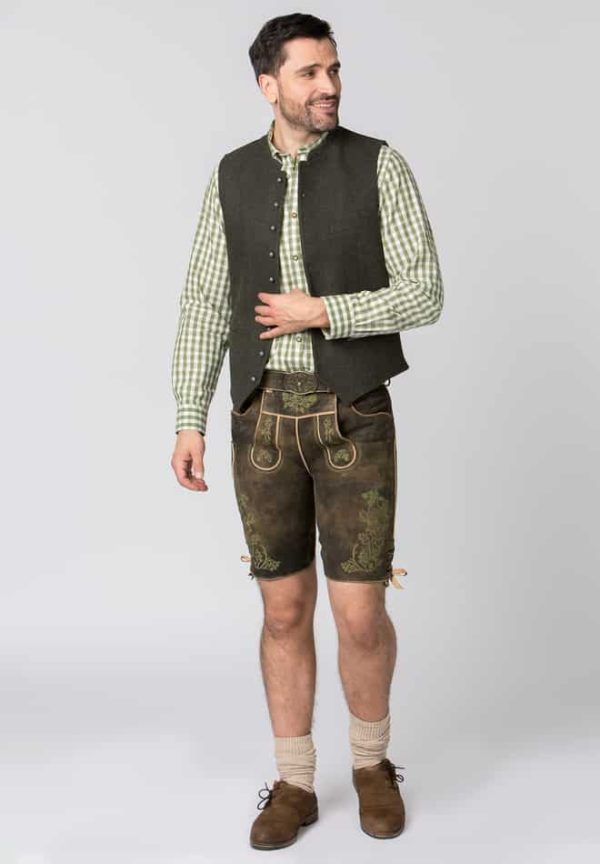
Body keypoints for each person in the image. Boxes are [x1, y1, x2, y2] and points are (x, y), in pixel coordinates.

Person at [170, 11, 443, 851]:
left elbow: (425, 291)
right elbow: (205, 300)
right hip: (261, 419)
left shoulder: (379, 164)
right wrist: (188, 416)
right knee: (284, 611)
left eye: (334, 69)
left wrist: (322, 311)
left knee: (359, 613)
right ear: (269, 86)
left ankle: (371, 766)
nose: (329, 86)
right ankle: (293, 782)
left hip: (353, 412)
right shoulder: (232, 174)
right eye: (309, 73)